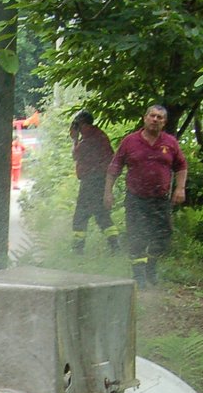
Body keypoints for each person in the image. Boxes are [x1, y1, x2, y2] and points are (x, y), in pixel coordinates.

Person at [103, 103, 188, 287]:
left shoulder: (170, 143)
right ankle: (138, 275)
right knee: (137, 235)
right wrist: (108, 192)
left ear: (164, 122)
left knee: (164, 235)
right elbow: (114, 168)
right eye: (152, 115)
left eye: (160, 117)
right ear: (145, 118)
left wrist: (180, 188)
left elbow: (181, 166)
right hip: (136, 197)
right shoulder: (130, 141)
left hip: (160, 198)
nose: (155, 119)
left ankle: (151, 266)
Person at [69, 110, 118, 255]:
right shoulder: (99, 135)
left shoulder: (89, 139)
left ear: (81, 124)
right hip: (100, 180)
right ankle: (115, 246)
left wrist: (74, 139)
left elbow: (75, 155)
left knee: (80, 215)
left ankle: (77, 250)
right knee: (101, 214)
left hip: (92, 181)